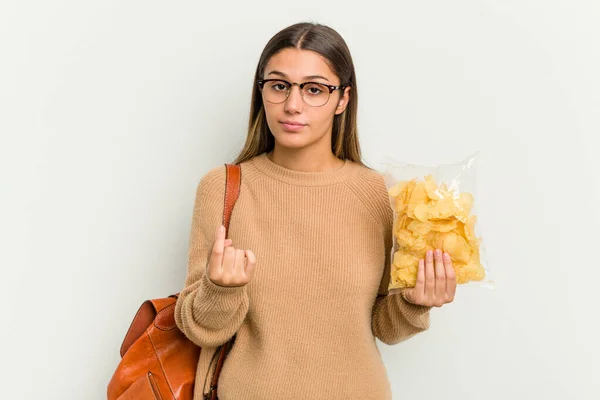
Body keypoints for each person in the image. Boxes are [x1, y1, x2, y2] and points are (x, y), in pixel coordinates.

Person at [174, 22, 456, 400]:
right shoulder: (223, 188)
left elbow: (384, 327)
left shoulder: (377, 193)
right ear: (262, 93)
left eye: (314, 89)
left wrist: (414, 302)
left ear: (342, 99)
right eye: (279, 85)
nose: (292, 105)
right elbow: (200, 330)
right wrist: (220, 290)